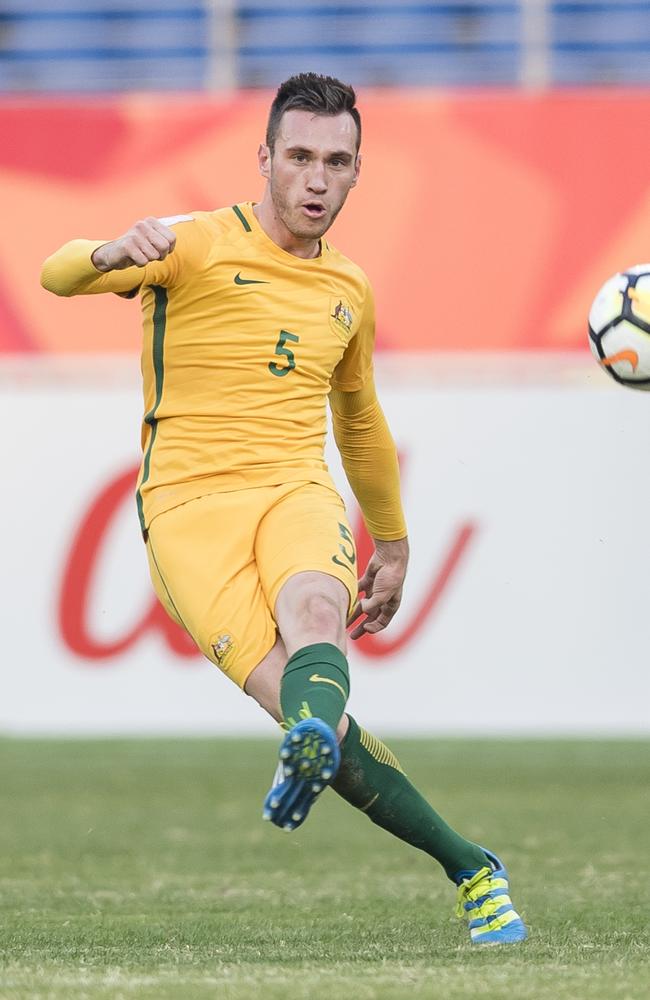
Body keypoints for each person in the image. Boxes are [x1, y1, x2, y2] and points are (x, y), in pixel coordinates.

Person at [41, 73, 526, 945]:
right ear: (262, 158)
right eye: (299, 156)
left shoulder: (349, 289)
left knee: (316, 615)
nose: (315, 179)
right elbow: (54, 274)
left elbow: (361, 419)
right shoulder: (186, 244)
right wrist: (112, 251)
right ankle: (471, 865)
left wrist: (399, 545)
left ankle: (340, 766)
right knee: (317, 719)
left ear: (355, 174)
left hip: (295, 487)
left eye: (336, 162)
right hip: (187, 511)